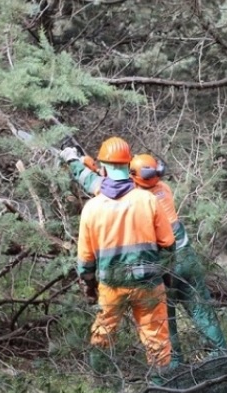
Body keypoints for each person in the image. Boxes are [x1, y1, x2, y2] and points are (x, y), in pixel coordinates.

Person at [60, 147, 227, 368]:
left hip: (160, 263)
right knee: (199, 307)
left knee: (162, 321)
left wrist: (75, 161)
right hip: (185, 257)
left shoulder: (138, 196)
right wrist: (99, 167)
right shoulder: (163, 189)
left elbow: (95, 183)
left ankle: (174, 365)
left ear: (135, 176)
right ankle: (223, 354)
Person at [72, 137, 176, 383]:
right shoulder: (148, 199)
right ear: (129, 164)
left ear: (104, 167)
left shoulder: (92, 208)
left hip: (111, 286)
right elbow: (169, 245)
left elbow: (85, 261)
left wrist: (89, 287)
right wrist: (165, 276)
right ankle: (164, 387)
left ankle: (100, 384)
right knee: (157, 340)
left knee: (102, 334)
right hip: (148, 283)